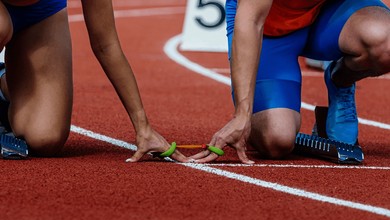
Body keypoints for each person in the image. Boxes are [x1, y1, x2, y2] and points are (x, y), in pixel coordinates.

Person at [192, 0, 390, 164]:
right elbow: (251, 21)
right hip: (268, 28)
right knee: (276, 140)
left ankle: (340, 80)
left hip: (325, 14)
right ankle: (258, 120)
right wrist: (242, 115)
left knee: (386, 43)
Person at [0, 0, 188, 162]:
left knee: (45, 139)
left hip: (41, 14)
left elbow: (106, 45)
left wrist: (143, 128)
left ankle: (3, 87)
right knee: (2, 26)